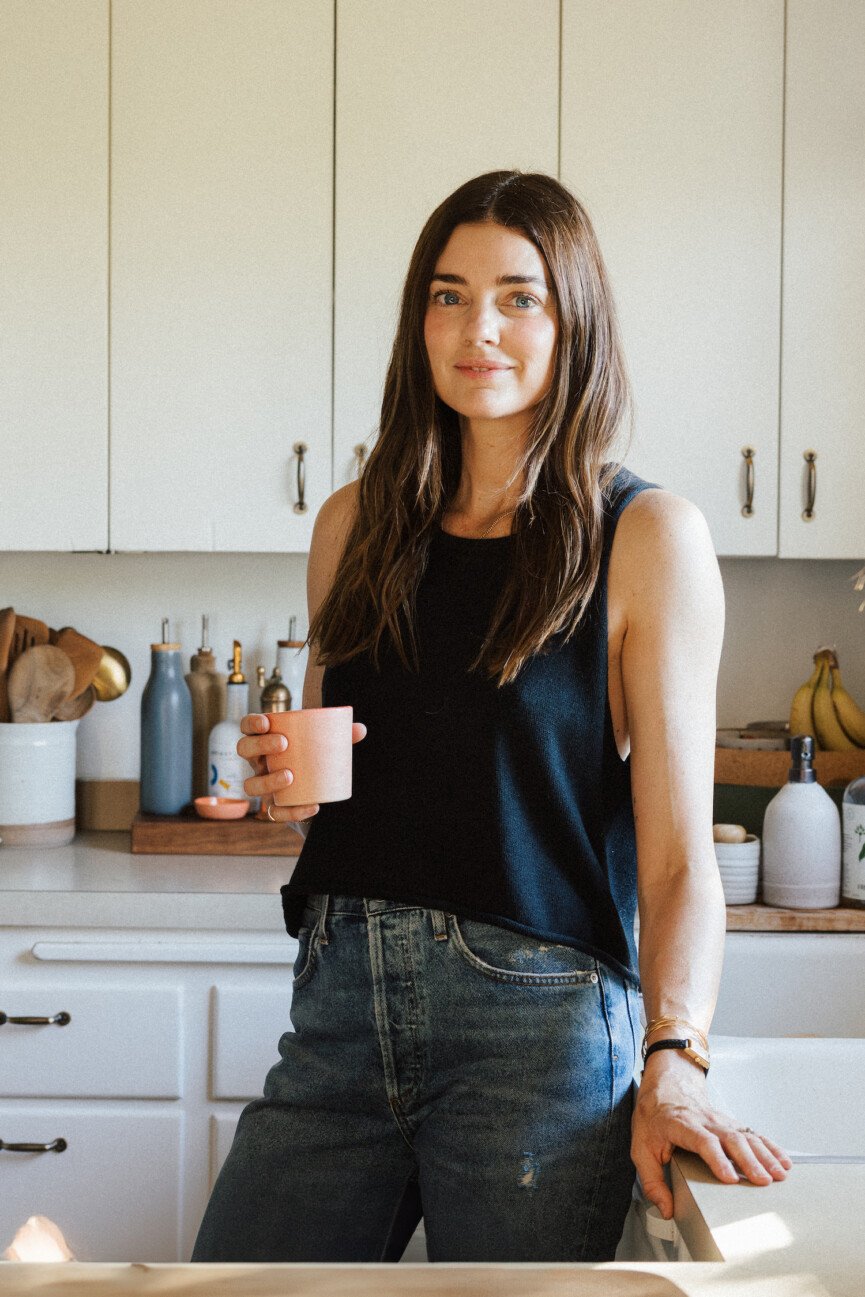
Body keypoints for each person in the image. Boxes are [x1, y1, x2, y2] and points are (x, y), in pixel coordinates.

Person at [191, 170, 791, 1265]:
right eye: (447, 293)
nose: (479, 328)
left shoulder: (645, 536)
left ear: (574, 322)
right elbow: (343, 789)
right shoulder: (355, 523)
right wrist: (288, 793)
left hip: (541, 1031)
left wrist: (675, 1058)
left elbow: (673, 864)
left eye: (520, 297)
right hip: (339, 1009)